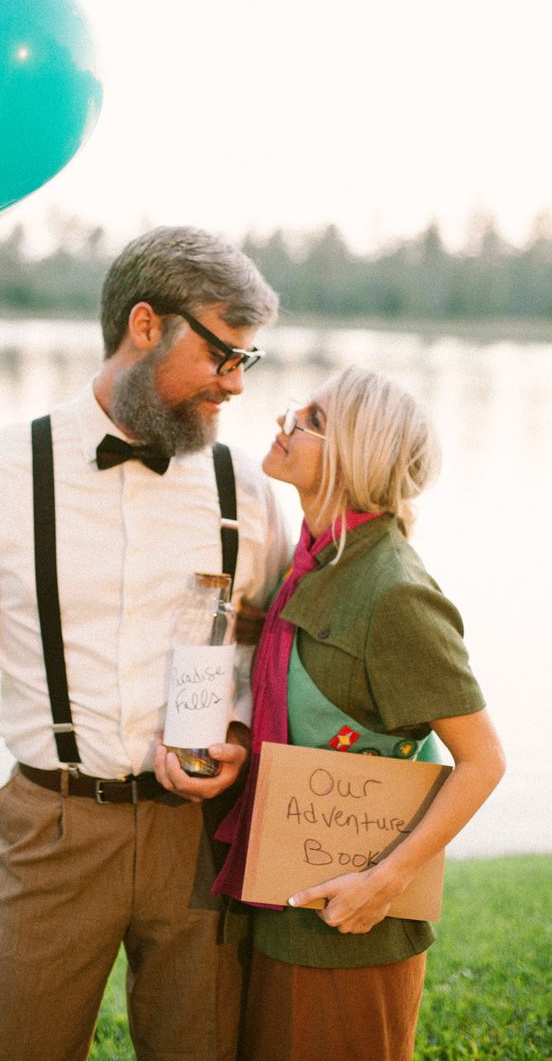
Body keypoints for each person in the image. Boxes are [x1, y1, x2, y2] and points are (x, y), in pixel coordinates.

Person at [0, 226, 291, 1061]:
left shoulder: (243, 487)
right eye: (223, 355)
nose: (235, 385)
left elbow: (271, 659)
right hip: (54, 829)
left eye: (247, 361)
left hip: (198, 840)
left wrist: (245, 738)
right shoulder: (5, 466)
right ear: (146, 326)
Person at [212, 365, 505, 1061]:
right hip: (281, 901)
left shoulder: (394, 592)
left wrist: (385, 881)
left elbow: (484, 760)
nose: (284, 421)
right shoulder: (312, 561)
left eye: (309, 417)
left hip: (350, 929)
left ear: (352, 455)